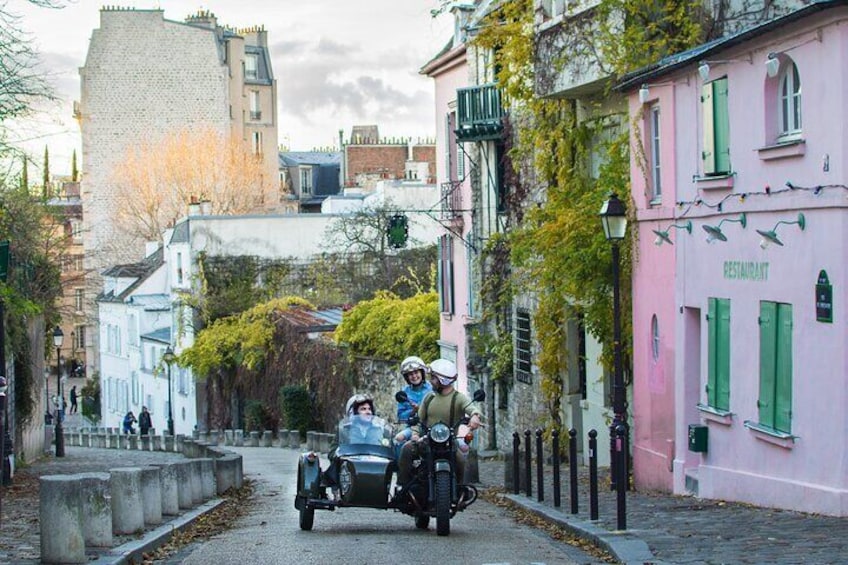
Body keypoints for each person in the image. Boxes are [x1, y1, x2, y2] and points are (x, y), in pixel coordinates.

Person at [397, 358, 482, 487]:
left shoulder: (458, 398)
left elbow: (470, 407)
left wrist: (475, 416)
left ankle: (460, 490)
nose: (431, 381)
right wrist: (415, 434)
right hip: (427, 440)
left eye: (434, 378)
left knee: (461, 461)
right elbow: (418, 420)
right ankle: (403, 485)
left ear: (443, 380)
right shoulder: (429, 397)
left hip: (449, 442)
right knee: (406, 449)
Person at [395, 356, 432, 425]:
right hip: (412, 428)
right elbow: (400, 416)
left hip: (431, 426)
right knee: (399, 436)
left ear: (422, 373)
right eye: (410, 374)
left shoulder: (432, 389)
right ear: (407, 377)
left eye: (416, 372)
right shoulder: (404, 393)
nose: (414, 376)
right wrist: (413, 411)